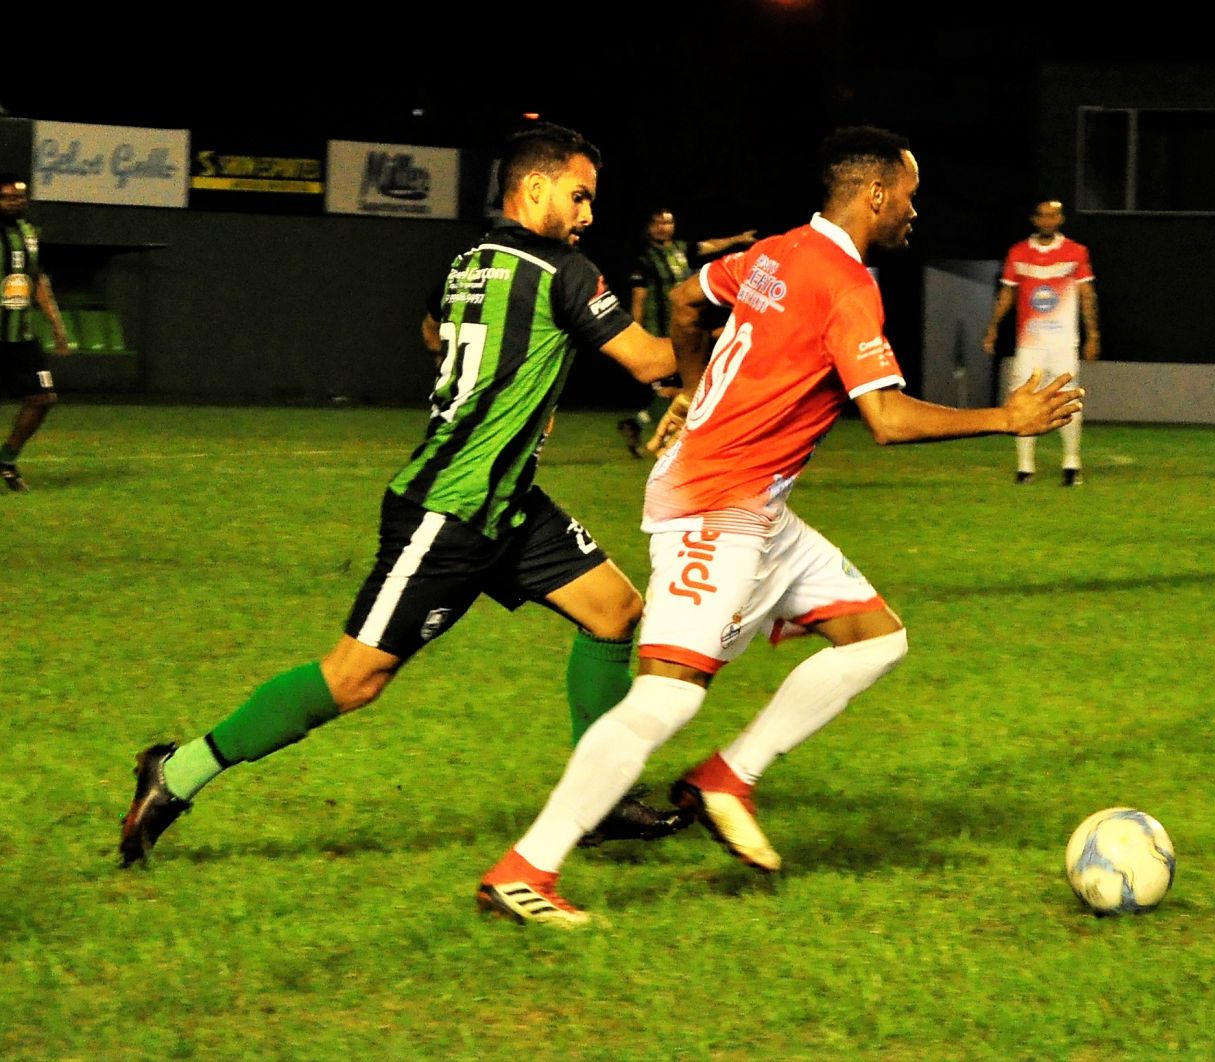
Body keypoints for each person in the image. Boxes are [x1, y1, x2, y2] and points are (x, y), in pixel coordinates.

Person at [474, 126, 1083, 927]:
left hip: (758, 506)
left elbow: (687, 302)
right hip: (713, 506)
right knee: (666, 699)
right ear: (875, 195)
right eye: (908, 196)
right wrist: (1006, 418)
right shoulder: (846, 284)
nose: (913, 211)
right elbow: (887, 419)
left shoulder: (777, 252)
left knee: (876, 639)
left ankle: (728, 777)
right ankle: (525, 870)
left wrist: (696, 392)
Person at [119, 122, 691, 869]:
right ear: (534, 187)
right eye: (579, 196)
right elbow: (651, 361)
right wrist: (718, 323)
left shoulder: (469, 262)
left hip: (507, 502)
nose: (588, 214)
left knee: (613, 610)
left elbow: (434, 333)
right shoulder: (563, 270)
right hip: (449, 510)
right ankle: (178, 771)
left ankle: (600, 797)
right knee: (354, 679)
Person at [617, 209, 757, 457]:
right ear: (648, 227)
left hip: (686, 330)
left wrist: (738, 239)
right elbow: (639, 297)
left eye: (668, 222)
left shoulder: (681, 250)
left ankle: (640, 425)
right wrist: (635, 331)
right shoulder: (645, 258)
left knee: (679, 388)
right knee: (673, 389)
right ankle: (654, 432)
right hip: (660, 332)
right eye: (658, 223)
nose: (663, 227)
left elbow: (710, 245)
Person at [981, 199, 1099, 486]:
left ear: (1060, 219)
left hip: (1063, 343)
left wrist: (1093, 334)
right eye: (1043, 216)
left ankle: (1071, 464)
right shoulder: (1018, 252)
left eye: (1053, 215)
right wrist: (993, 328)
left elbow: (1087, 294)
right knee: (1023, 399)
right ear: (1035, 220)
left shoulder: (1076, 252)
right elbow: (1006, 295)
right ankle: (1025, 468)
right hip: (1029, 344)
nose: (1048, 220)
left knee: (1068, 399)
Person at [1, 174, 71, 493]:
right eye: (7, 197)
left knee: (43, 398)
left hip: (22, 336)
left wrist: (56, 324)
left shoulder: (29, 232)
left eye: (19, 197)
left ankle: (6, 460)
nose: (15, 202)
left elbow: (38, 280)